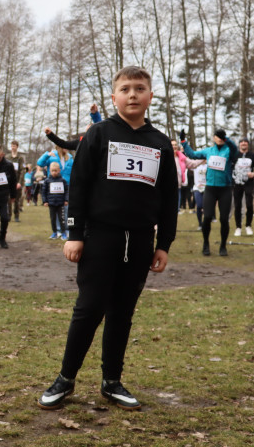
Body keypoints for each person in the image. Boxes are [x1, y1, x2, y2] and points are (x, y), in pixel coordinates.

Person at [37, 66, 177, 411]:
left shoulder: (159, 142)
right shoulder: (98, 135)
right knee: (90, 308)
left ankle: (112, 381)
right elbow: (80, 186)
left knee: (123, 312)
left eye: (140, 88)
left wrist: (164, 244)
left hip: (141, 240)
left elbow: (169, 195)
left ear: (150, 96)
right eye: (125, 89)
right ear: (114, 97)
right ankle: (65, 379)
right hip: (99, 237)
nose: (133, 94)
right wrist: (74, 233)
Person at [181, 128, 238, 256]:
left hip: (225, 189)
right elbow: (193, 154)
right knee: (206, 217)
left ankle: (223, 245)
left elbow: (235, 150)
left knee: (224, 219)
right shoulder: (209, 151)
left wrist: (226, 139)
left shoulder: (229, 150)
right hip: (211, 188)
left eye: (221, 136)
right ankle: (206, 243)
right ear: (213, 138)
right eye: (216, 136)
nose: (219, 138)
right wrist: (184, 142)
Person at [231, 139, 254, 237]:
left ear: (248, 144)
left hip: (249, 183)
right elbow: (231, 167)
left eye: (245, 142)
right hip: (237, 183)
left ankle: (248, 225)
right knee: (237, 205)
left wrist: (253, 174)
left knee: (249, 204)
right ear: (239, 144)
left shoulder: (253, 155)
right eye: (242, 142)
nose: (244, 143)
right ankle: (238, 227)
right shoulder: (235, 155)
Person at [43, 161, 68, 239]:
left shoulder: (63, 180)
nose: (54, 172)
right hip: (51, 203)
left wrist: (66, 200)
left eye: (55, 171)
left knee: (62, 219)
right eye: (52, 171)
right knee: (53, 219)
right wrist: (45, 201)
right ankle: (54, 232)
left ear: (59, 170)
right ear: (50, 171)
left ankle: (63, 233)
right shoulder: (47, 181)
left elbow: (66, 191)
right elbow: (44, 192)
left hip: (60, 203)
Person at [6, 141, 26, 221]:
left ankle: (16, 215)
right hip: (9, 182)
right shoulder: (7, 157)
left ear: (17, 147)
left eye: (14, 146)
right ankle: (9, 215)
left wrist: (19, 182)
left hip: (17, 182)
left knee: (17, 200)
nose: (13, 147)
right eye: (12, 146)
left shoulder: (20, 158)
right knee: (8, 199)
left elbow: (22, 171)